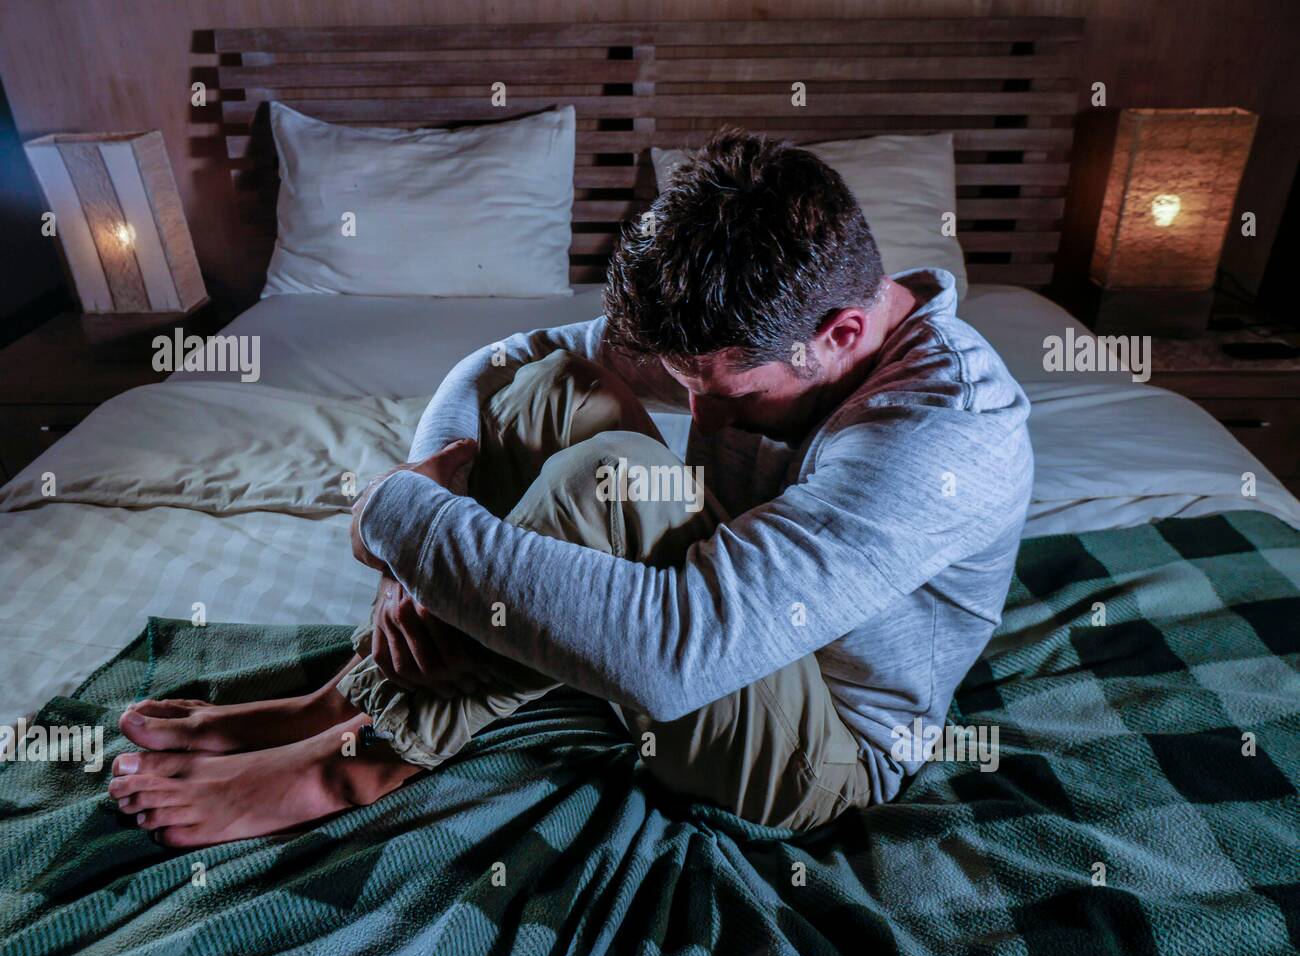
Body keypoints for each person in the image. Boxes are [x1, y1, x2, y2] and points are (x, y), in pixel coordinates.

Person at [109, 130, 1033, 847]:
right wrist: (417, 557)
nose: (703, 422)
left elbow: (676, 651)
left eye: (733, 396)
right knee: (555, 392)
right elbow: (509, 358)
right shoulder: (760, 315)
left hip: (821, 748)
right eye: (690, 387)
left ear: (836, 334)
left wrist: (398, 516)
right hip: (728, 630)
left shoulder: (947, 430)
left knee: (609, 478)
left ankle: (360, 759)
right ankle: (345, 697)